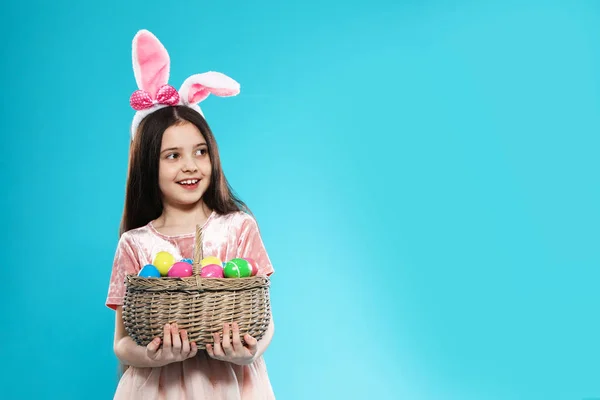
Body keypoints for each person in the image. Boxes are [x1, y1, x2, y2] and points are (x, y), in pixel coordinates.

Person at [105, 29, 276, 399]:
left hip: (229, 385)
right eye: (173, 156)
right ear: (148, 166)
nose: (191, 166)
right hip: (156, 388)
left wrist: (251, 353)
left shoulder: (238, 228)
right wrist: (152, 357)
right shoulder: (135, 243)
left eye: (200, 152)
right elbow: (121, 342)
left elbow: (266, 320)